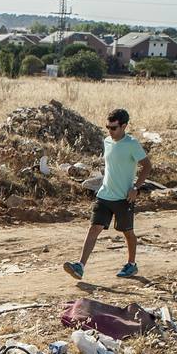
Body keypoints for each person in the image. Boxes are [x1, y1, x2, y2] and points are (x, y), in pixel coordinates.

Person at [64, 108, 151, 280]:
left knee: (127, 232)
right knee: (94, 228)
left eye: (114, 128)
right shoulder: (107, 141)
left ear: (124, 126)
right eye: (107, 127)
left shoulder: (132, 144)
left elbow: (147, 166)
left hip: (123, 198)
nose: (110, 131)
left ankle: (131, 264)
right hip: (104, 195)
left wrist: (136, 188)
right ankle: (80, 266)